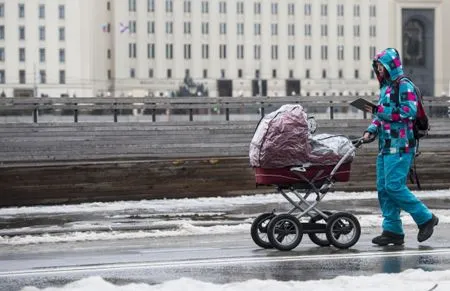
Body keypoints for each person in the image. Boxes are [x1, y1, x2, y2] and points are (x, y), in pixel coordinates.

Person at [362, 48, 438, 246]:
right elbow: (380, 116)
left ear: (390, 66)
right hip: (385, 145)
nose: (378, 70)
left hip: (402, 145)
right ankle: (392, 230)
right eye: (376, 67)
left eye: (381, 66)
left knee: (394, 187)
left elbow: (408, 111)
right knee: (384, 189)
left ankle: (426, 218)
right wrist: (371, 130)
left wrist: (380, 110)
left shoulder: (403, 85)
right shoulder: (385, 88)